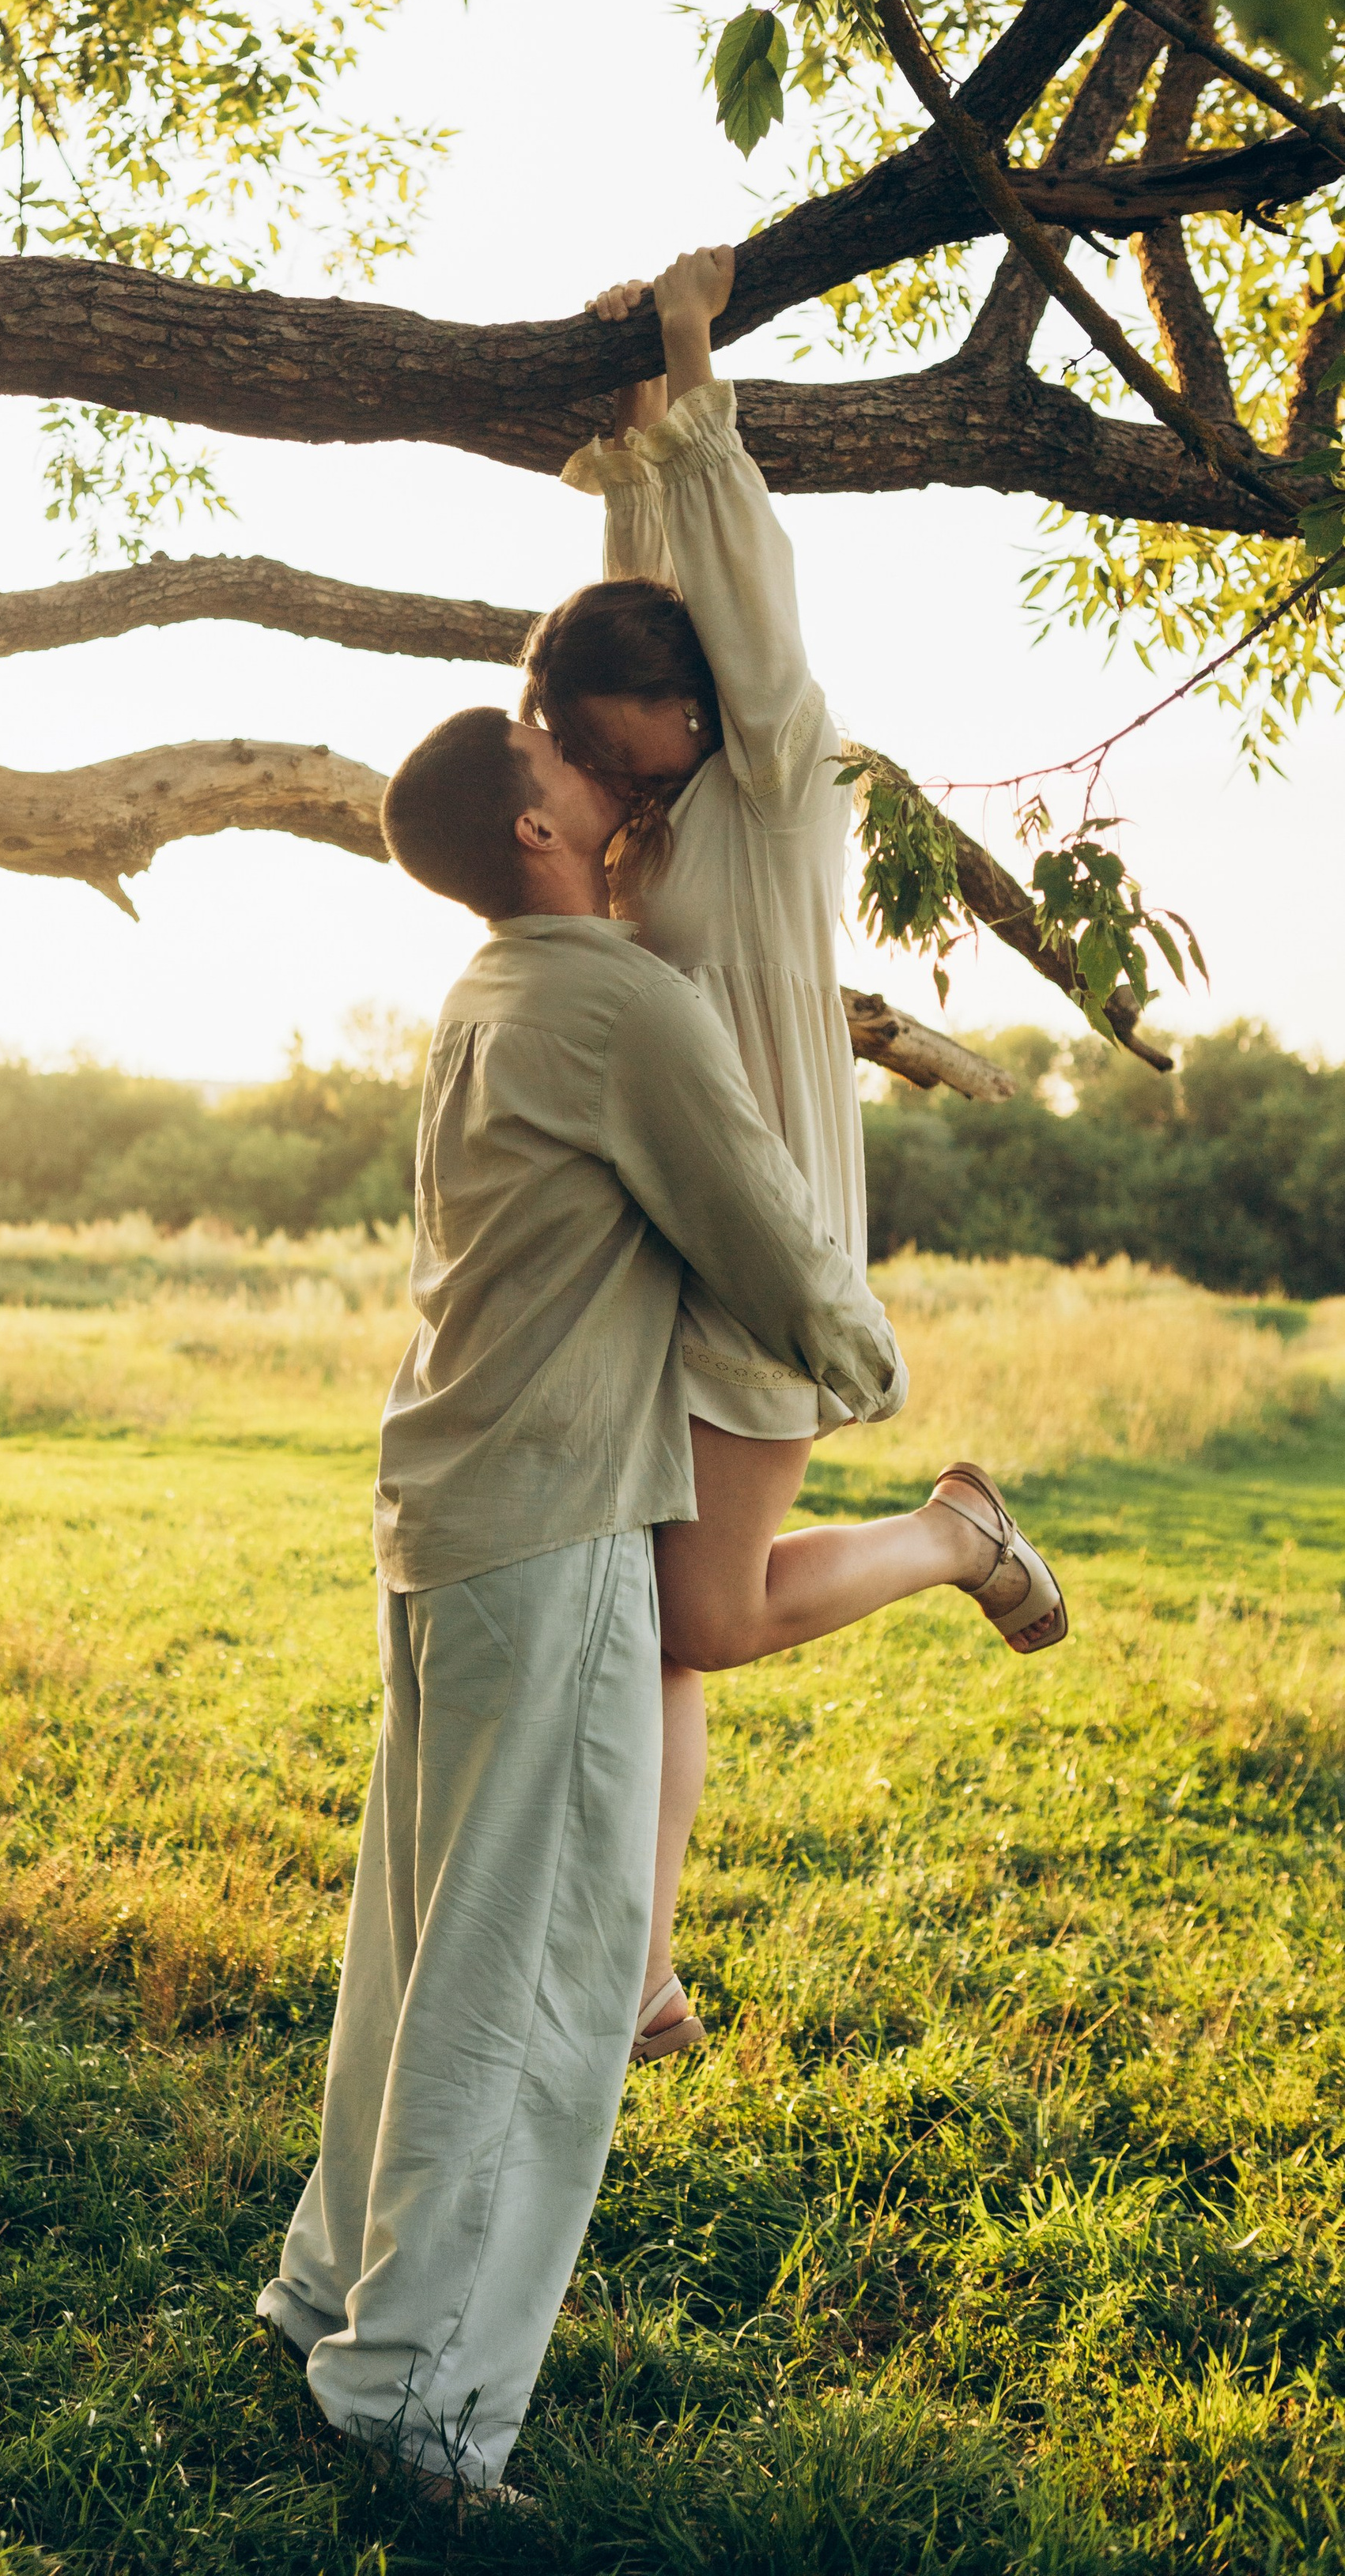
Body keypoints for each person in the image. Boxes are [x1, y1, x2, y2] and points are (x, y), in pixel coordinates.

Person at [258, 699, 908, 2503]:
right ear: (536, 835)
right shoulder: (613, 1001)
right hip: (547, 1519)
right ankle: (416, 2408)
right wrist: (864, 1368)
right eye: (566, 767)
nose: (602, 779)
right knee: (529, 1980)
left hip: (446, 1500)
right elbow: (765, 1231)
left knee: (413, 1944)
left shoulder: (485, 994)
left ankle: (328, 2295)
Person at [531, 247, 1067, 2068]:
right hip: (655, 1250)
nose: (618, 791)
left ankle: (950, 1532)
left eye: (630, 756)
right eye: (600, 767)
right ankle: (641, 1984)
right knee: (661, 1639)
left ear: (698, 720)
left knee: (709, 1611)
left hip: (766, 1246)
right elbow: (641, 627)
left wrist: (692, 369)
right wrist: (627, 457)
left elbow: (732, 612)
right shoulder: (673, 795)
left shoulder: (772, 780)